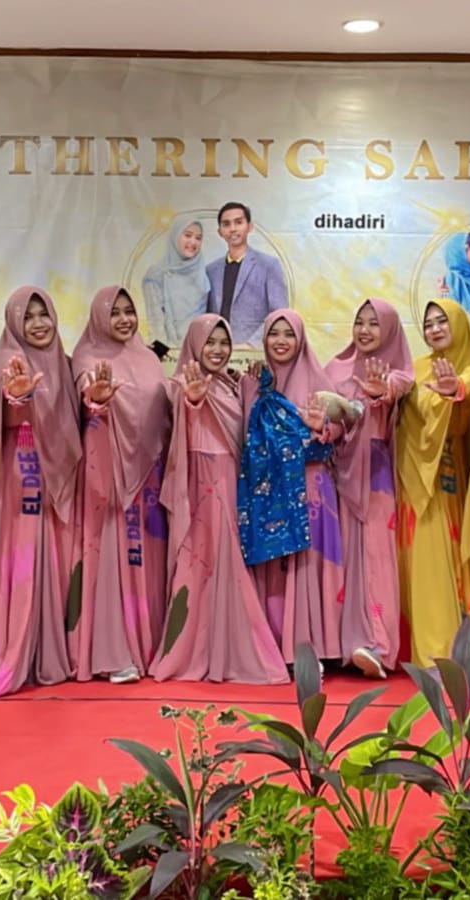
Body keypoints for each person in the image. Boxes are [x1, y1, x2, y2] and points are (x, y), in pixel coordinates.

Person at [150, 315, 289, 684]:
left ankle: (231, 650)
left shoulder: (232, 384)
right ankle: (189, 653)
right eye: (209, 342)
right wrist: (194, 401)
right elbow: (182, 409)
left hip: (231, 480)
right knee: (199, 562)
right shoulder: (183, 382)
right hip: (201, 482)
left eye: (223, 342)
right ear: (195, 344)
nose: (217, 350)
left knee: (231, 560)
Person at [70, 286, 172, 683]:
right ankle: (113, 652)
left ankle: (147, 646)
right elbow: (87, 393)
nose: (124, 319)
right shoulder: (88, 356)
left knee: (146, 556)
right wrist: (96, 398)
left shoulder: (147, 357)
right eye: (115, 312)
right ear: (99, 316)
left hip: (149, 470)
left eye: (129, 311)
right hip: (108, 468)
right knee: (111, 551)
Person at [0, 287, 80, 694]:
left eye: (44, 315)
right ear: (13, 322)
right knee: (22, 557)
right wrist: (18, 398)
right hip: (22, 469)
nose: (38, 324)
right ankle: (15, 649)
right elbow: (6, 415)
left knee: (54, 561)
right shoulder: (11, 358)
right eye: (28, 316)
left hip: (58, 475)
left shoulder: (63, 361)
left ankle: (49, 650)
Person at [241, 310, 344, 666]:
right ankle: (277, 646)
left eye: (289, 334)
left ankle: (313, 648)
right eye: (274, 333)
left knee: (308, 567)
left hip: (311, 488)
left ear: (300, 339)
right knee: (275, 569)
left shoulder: (320, 379)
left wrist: (321, 428)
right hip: (269, 494)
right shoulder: (255, 383)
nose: (281, 341)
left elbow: (340, 432)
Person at [396, 299, 470, 668]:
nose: (434, 329)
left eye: (442, 321)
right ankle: (411, 649)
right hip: (408, 477)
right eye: (428, 323)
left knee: (437, 565)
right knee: (411, 564)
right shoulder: (416, 367)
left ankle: (440, 655)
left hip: (444, 482)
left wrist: (455, 388)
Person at [326, 299, 414, 678]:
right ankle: (339, 645)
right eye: (359, 322)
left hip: (375, 475)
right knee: (341, 558)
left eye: (374, 324)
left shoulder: (399, 372)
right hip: (338, 473)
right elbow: (325, 416)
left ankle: (377, 644)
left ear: (389, 330)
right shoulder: (334, 368)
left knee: (376, 557)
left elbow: (395, 387)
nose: (364, 330)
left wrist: (379, 392)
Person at [205, 202, 287, 343]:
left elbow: (278, 313)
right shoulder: (211, 270)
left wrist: (251, 345)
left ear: (249, 226)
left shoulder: (269, 265)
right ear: (220, 232)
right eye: (226, 224)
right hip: (217, 349)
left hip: (255, 351)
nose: (233, 229)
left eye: (238, 222)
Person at [143, 219, 211, 348]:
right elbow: (156, 327)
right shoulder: (156, 275)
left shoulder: (201, 273)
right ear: (175, 236)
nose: (193, 242)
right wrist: (166, 355)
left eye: (198, 238)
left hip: (199, 350)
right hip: (168, 352)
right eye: (188, 235)